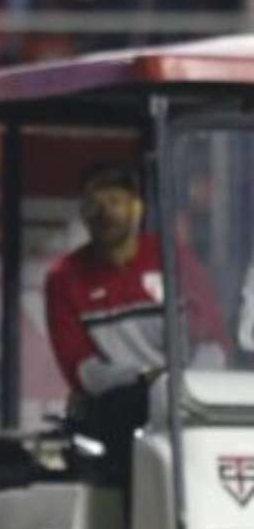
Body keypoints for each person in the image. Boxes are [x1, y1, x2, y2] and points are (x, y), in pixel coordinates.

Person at [44, 164, 227, 494]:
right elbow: (82, 371)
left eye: (115, 201)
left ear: (137, 207)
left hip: (186, 400)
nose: (105, 213)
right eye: (94, 204)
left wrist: (185, 386)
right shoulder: (64, 278)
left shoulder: (174, 260)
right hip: (119, 409)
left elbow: (214, 341)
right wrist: (145, 378)